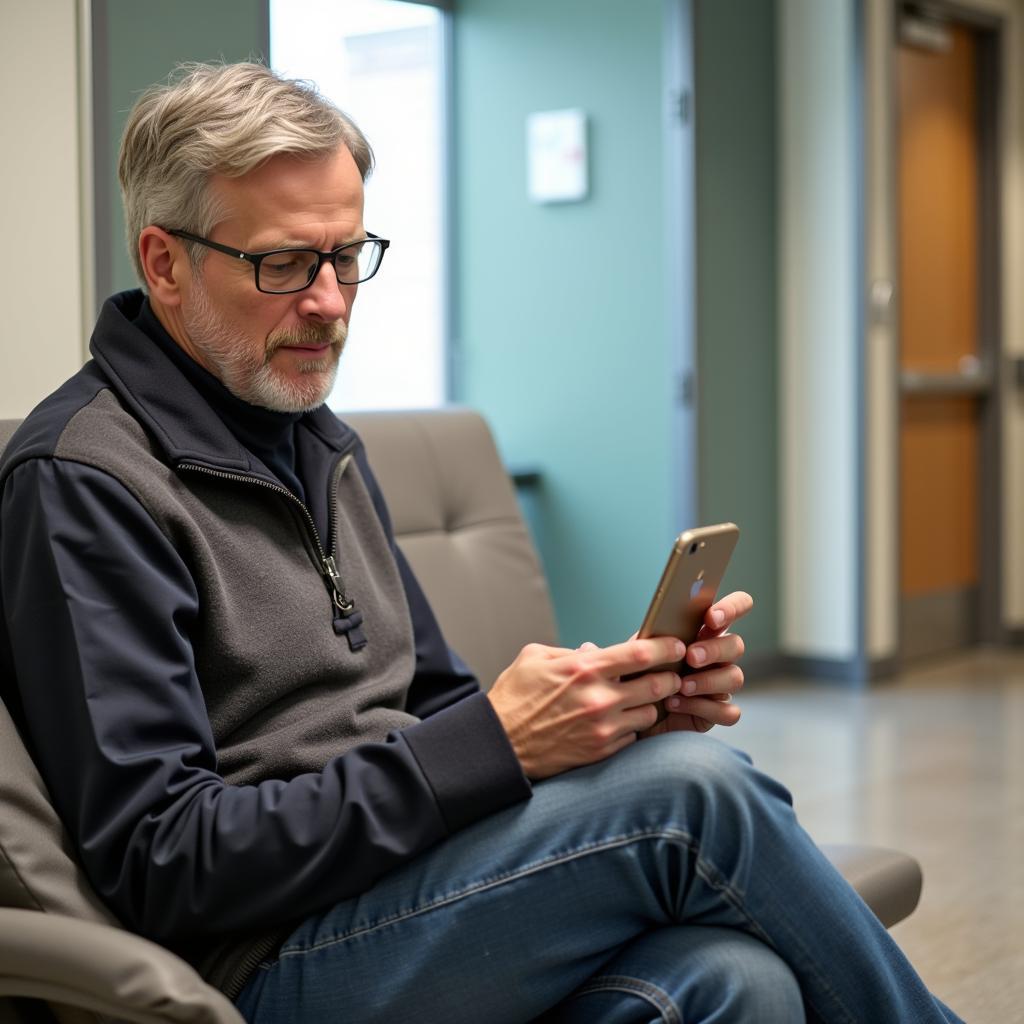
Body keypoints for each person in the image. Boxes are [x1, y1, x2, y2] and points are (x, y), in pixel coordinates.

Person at [0, 62, 961, 1024]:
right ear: (164, 262)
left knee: (733, 981)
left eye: (349, 255)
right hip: (264, 960)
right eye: (285, 264)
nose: (331, 302)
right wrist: (490, 747)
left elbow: (435, 704)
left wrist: (607, 723)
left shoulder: (314, 438)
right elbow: (165, 859)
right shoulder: (84, 481)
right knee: (690, 796)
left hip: (408, 888)